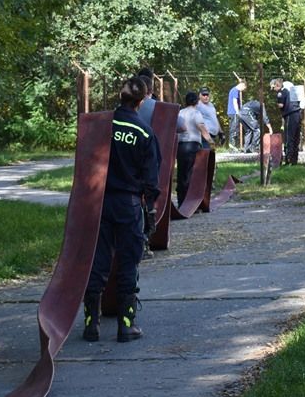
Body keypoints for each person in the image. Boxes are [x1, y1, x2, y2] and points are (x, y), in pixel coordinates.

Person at [83, 75, 161, 343]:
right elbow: (152, 180)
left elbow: (85, 164)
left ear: (121, 96)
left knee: (98, 260)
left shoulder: (101, 126)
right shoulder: (144, 132)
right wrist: (150, 211)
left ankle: (91, 324)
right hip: (129, 205)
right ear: (142, 101)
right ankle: (126, 326)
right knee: (129, 262)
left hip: (99, 203)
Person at [175, 90, 210, 203]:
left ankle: (181, 200)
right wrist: (211, 141)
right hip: (193, 145)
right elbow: (201, 127)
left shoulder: (180, 113)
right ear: (196, 102)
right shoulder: (196, 113)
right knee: (192, 174)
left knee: (181, 173)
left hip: (181, 146)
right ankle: (191, 201)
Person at [271, 78, 301, 165]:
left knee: (288, 138)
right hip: (298, 113)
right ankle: (294, 160)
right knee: (296, 137)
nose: (273, 90)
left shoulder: (281, 93)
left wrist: (276, 104)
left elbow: (281, 105)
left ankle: (289, 160)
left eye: (273, 88)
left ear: (277, 85)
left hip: (290, 115)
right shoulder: (291, 91)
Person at [227, 79, 246, 150]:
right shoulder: (235, 91)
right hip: (234, 112)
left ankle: (233, 146)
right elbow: (235, 102)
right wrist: (238, 112)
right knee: (234, 129)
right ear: (242, 85)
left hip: (231, 112)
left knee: (234, 128)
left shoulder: (234, 90)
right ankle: (232, 147)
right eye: (244, 88)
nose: (243, 90)